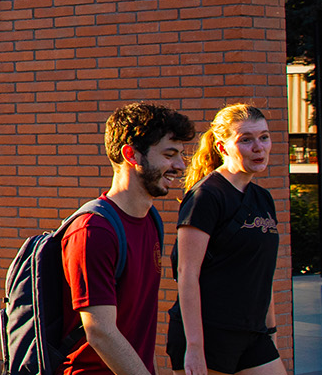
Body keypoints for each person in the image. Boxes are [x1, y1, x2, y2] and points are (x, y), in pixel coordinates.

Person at [64, 103, 194, 375]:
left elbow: (139, 327)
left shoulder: (151, 220)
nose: (180, 166)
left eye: (181, 155)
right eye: (170, 155)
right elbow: (100, 332)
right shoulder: (93, 231)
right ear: (131, 154)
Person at [170, 104, 281, 375]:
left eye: (264, 137)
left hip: (253, 334)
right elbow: (186, 273)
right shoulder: (207, 196)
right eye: (246, 140)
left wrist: (271, 332)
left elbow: (264, 271)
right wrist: (195, 347)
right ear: (222, 147)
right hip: (211, 334)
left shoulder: (263, 198)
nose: (259, 147)